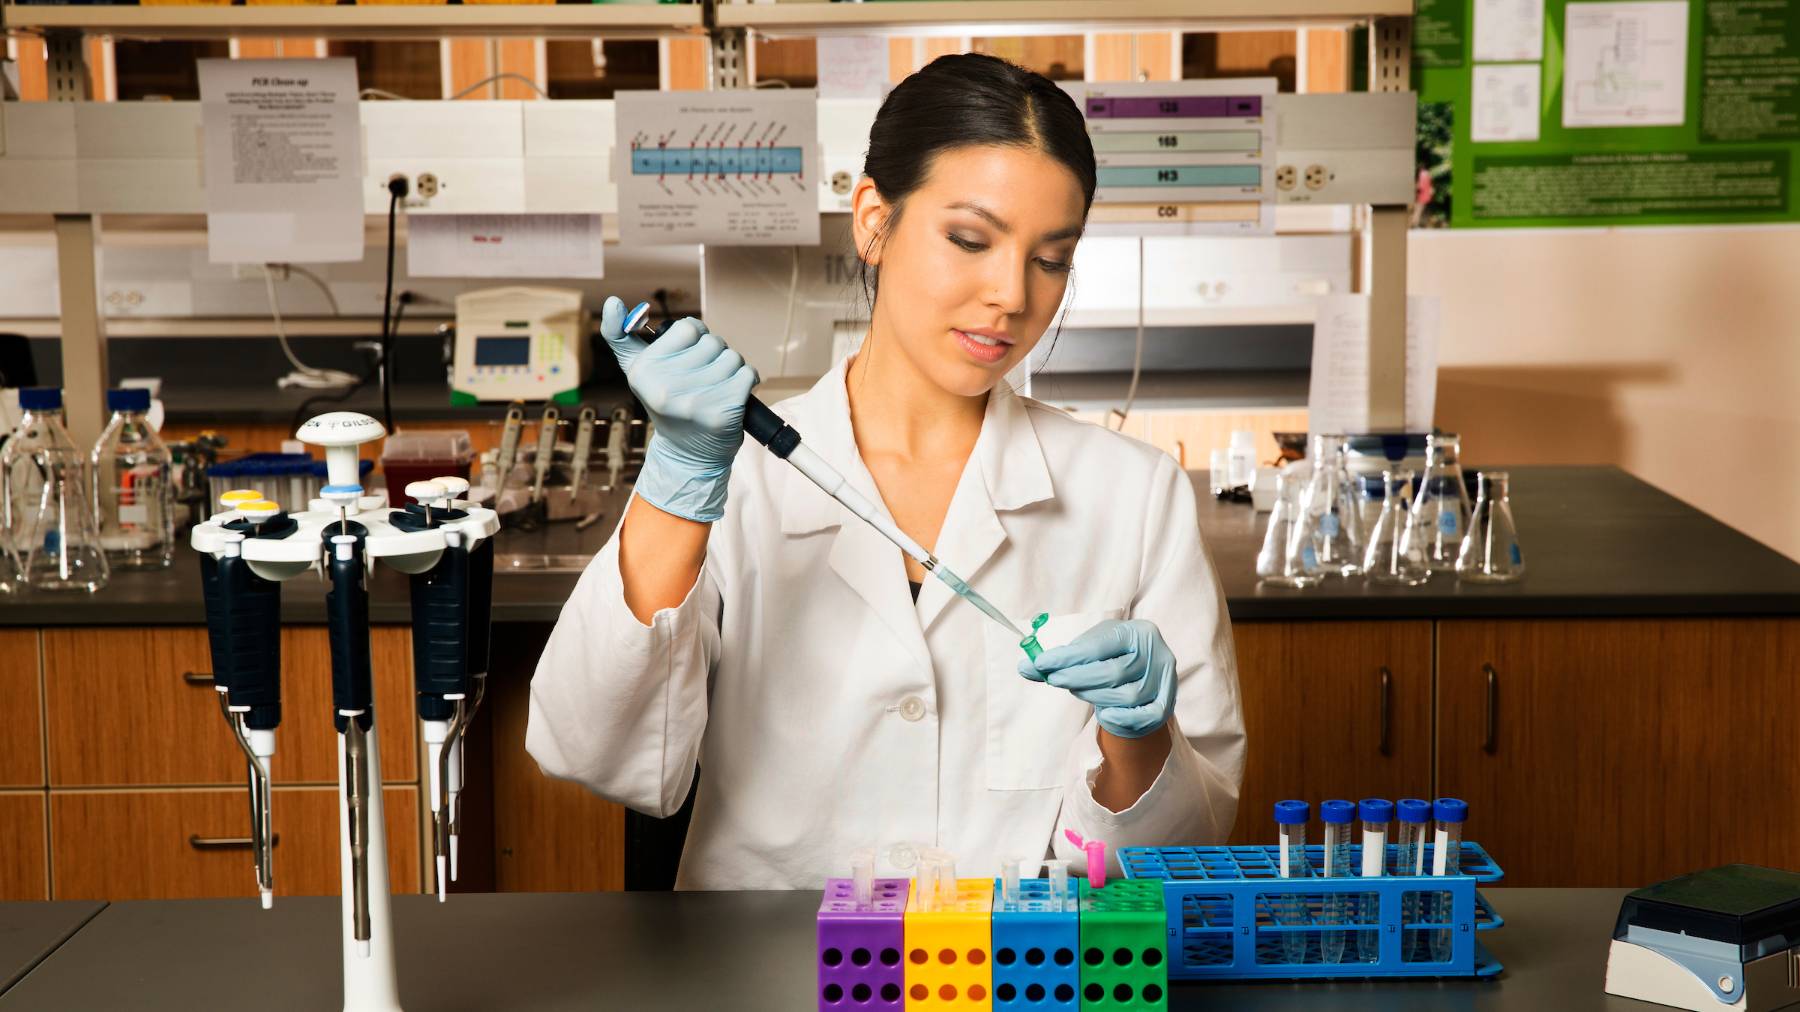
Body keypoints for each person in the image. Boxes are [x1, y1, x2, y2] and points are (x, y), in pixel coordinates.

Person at [527, 53, 1244, 890]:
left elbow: (1182, 851)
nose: (1011, 294)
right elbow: (590, 748)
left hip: (1016, 976)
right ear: (873, 220)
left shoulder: (1134, 494)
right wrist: (679, 485)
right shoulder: (743, 475)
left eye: (1051, 259)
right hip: (765, 974)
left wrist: (1140, 738)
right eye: (970, 240)